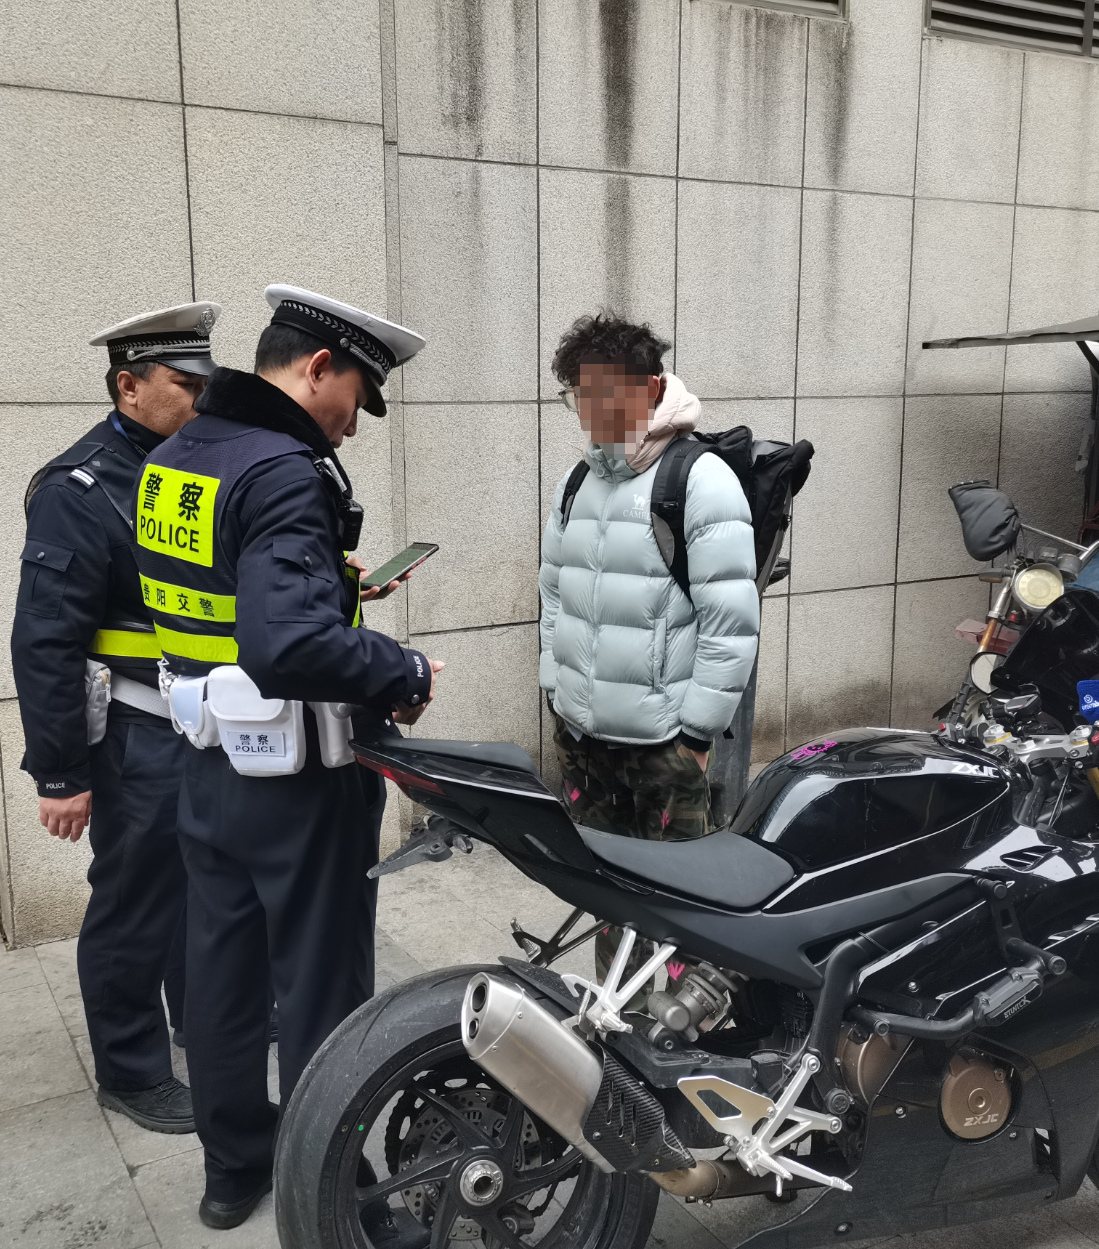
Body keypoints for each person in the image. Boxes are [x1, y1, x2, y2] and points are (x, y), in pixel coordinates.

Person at [132, 284, 442, 1240]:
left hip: (206, 768)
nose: (353, 423)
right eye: (356, 397)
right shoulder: (284, 471)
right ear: (316, 368)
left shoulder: (177, 456)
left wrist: (322, 582)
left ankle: (234, 1171)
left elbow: (224, 595)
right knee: (321, 991)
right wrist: (401, 667)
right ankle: (333, 1188)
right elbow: (284, 645)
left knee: (221, 978)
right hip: (299, 779)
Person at [11, 302, 222, 1133]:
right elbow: (44, 639)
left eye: (207, 384)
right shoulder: (79, 489)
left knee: (196, 885)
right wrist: (60, 771)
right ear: (129, 387)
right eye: (185, 385)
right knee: (134, 902)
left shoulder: (192, 472)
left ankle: (197, 1017)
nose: (201, 399)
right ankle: (131, 1071)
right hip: (135, 734)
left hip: (201, 726)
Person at [539, 312, 759, 991]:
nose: (590, 411)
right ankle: (620, 1022)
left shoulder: (699, 479)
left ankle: (689, 1030)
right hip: (584, 736)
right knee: (610, 894)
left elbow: (730, 621)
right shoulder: (576, 481)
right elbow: (553, 592)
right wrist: (555, 685)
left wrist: (695, 733)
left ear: (652, 388)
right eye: (579, 395)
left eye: (604, 394)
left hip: (664, 745)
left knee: (680, 905)